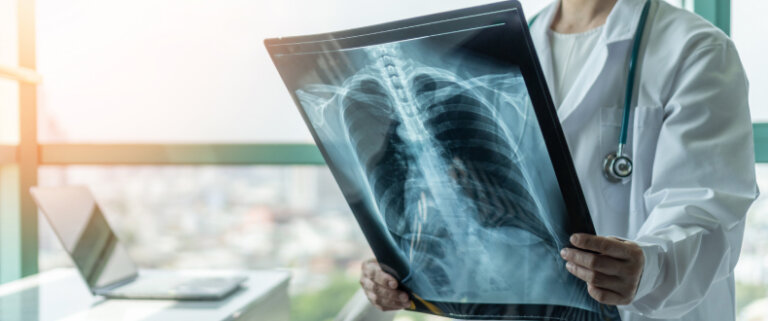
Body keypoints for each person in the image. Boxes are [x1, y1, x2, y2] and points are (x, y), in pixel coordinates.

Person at [358, 0, 759, 320]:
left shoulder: (694, 49)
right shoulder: (501, 49)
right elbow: (472, 206)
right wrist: (404, 265)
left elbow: (707, 211)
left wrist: (648, 267)